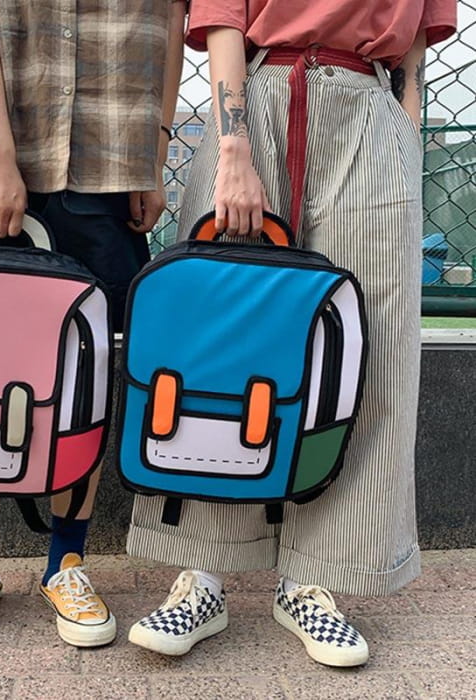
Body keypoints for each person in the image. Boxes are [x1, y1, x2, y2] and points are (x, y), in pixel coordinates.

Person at [126, 0, 457, 666]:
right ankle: (203, 572)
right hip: (259, 95)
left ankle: (315, 577)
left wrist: (405, 128)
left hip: (370, 108)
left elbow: (418, 40)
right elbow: (223, 17)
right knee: (219, 345)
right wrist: (233, 143)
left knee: (368, 349)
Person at [0, 0, 186, 654]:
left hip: (110, 152)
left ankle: (67, 562)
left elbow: (172, 20)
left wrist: (154, 151)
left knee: (88, 366)